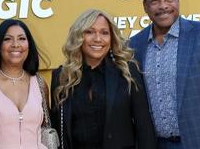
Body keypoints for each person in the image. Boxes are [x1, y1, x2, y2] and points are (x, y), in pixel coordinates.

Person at [129, 0, 200, 149]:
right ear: (145, 6)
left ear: (178, 0)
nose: (163, 6)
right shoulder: (134, 45)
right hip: (156, 144)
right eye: (154, 0)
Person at [50, 9, 157, 149]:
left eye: (104, 33)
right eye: (89, 32)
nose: (98, 38)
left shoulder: (127, 71)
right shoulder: (62, 76)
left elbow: (145, 128)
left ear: (112, 38)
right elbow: (58, 128)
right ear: (78, 36)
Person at [0, 19, 50, 149]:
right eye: (7, 39)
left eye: (22, 39)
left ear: (29, 45)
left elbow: (44, 125)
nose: (15, 44)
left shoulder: (40, 84)